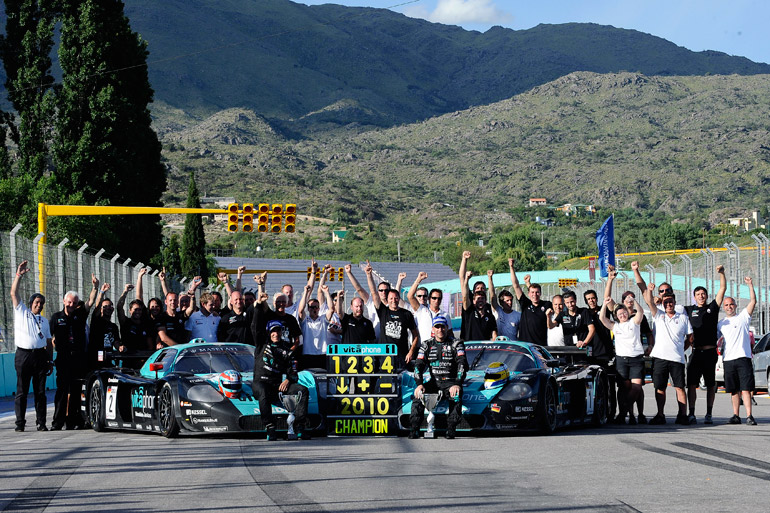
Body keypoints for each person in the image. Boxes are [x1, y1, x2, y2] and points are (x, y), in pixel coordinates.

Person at [641, 280, 693, 426]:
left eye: (671, 301)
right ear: (662, 303)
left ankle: (683, 415)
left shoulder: (683, 318)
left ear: (675, 302)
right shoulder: (658, 315)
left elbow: (690, 337)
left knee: (680, 387)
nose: (668, 304)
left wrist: (682, 348)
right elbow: (650, 303)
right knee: (660, 388)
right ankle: (660, 414)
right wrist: (650, 291)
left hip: (677, 358)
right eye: (666, 302)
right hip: (659, 357)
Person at [50, 278, 97, 430]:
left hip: (78, 359)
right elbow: (48, 337)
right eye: (69, 302)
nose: (71, 305)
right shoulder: (56, 318)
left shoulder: (80, 315)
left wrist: (95, 287)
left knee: (76, 392)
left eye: (74, 303)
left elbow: (90, 302)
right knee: (62, 392)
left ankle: (73, 421)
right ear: (64, 301)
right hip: (63, 359)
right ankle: (57, 422)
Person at [409, 315, 468, 439]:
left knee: (456, 395)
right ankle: (414, 429)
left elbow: (462, 364)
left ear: (447, 328)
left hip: (451, 383)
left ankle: (451, 429)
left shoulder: (456, 343)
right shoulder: (426, 344)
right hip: (434, 383)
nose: (440, 330)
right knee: (417, 396)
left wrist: (457, 383)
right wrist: (419, 383)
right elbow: (418, 366)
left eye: (442, 327)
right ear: (433, 329)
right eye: (437, 327)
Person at [11, 261, 53, 432]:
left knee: (40, 392)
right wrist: (19, 276)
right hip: (23, 355)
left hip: (40, 357)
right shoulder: (22, 312)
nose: (39, 305)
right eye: (36, 302)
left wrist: (50, 360)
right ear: (30, 303)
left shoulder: (44, 321)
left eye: (41, 303)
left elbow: (49, 342)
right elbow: (14, 293)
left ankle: (41, 423)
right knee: (22, 391)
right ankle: (20, 423)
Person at [252, 320, 310, 440]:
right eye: (273, 331)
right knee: (263, 390)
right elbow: (255, 325)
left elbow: (293, 371)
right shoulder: (261, 344)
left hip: (278, 384)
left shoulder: (286, 348)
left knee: (303, 390)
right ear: (268, 333)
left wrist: (288, 379)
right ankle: (270, 427)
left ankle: (299, 427)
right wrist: (258, 305)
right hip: (261, 383)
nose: (276, 334)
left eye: (278, 330)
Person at [684, 265, 727, 425]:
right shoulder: (689, 310)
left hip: (710, 354)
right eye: (698, 294)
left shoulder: (712, 308)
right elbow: (669, 306)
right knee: (692, 384)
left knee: (710, 385)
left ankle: (709, 414)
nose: (701, 296)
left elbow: (722, 288)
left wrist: (722, 273)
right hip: (695, 352)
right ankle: (692, 413)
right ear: (694, 297)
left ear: (707, 296)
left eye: (703, 294)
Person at [599, 296, 645, 425]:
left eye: (624, 312)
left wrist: (634, 301)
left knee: (636, 387)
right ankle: (630, 415)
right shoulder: (615, 326)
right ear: (616, 316)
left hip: (636, 359)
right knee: (625, 388)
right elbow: (602, 319)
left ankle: (623, 410)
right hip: (622, 360)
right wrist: (604, 305)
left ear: (628, 312)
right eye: (619, 314)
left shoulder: (634, 322)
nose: (622, 315)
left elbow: (640, 312)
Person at [718, 278, 757, 425]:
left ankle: (749, 415)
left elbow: (753, 301)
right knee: (734, 390)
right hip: (728, 360)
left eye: (731, 304)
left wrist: (750, 285)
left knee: (745, 389)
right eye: (726, 305)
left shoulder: (743, 318)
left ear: (735, 305)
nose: (729, 307)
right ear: (724, 307)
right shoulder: (721, 324)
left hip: (743, 358)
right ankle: (736, 415)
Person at [366, 262, 419, 365]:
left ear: (399, 298)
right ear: (387, 299)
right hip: (384, 355)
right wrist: (369, 275)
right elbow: (373, 293)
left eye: (396, 298)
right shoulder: (383, 311)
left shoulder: (406, 314)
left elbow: (415, 335)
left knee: (400, 379)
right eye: (391, 298)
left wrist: (411, 352)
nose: (393, 300)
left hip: (402, 355)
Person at [510, 258, 551, 345]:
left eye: (537, 292)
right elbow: (516, 285)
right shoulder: (525, 304)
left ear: (540, 293)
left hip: (541, 346)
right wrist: (511, 267)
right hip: (525, 347)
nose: (535, 295)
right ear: (528, 294)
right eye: (532, 293)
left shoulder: (546, 305)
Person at [297, 279, 335, 369]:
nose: (314, 309)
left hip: (322, 353)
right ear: (308, 308)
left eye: (316, 307)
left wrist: (327, 293)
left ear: (319, 308)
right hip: (308, 354)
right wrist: (305, 292)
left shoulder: (323, 319)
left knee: (323, 379)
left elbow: (331, 309)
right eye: (312, 307)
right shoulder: (305, 320)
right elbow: (300, 310)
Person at [407, 272, 452, 342]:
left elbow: (450, 333)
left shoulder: (445, 315)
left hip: (439, 348)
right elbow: (410, 296)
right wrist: (419, 279)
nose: (436, 300)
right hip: (422, 348)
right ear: (429, 299)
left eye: (439, 298)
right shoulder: (422, 310)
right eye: (434, 298)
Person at [459, 260, 497, 341]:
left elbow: (493, 296)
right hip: (469, 346)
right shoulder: (469, 307)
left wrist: (490, 278)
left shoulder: (488, 310)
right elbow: (462, 279)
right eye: (478, 288)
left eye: (483, 289)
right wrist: (465, 259)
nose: (481, 290)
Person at [88, 283, 121, 371]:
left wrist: (120, 347)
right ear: (101, 309)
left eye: (110, 306)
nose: (108, 308)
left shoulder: (114, 327)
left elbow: (116, 341)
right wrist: (102, 291)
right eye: (105, 306)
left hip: (108, 358)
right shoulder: (96, 321)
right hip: (95, 360)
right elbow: (97, 306)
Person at [488, 269, 521, 340]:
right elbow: (492, 297)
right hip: (501, 347)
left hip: (513, 347)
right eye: (507, 301)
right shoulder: (498, 311)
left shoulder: (518, 315)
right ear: (501, 302)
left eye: (511, 300)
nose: (510, 302)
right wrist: (490, 278)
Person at [184, 277, 220, 342]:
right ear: (203, 304)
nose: (214, 307)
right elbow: (187, 335)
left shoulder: (217, 318)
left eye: (214, 304)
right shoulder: (193, 317)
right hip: (198, 350)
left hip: (214, 349)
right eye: (211, 305)